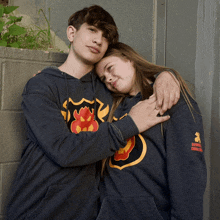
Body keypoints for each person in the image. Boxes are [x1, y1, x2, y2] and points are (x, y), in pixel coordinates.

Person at [6, 5, 180, 220]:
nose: (99, 40)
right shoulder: (41, 86)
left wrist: (167, 75)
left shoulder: (108, 87)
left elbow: (136, 76)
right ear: (71, 33)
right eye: (92, 30)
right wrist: (130, 124)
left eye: (105, 36)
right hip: (36, 207)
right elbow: (63, 150)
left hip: (84, 212)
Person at [95, 42, 207, 220]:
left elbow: (188, 177)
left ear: (129, 59)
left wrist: (166, 75)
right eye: (103, 78)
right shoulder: (108, 108)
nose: (108, 78)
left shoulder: (172, 101)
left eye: (110, 68)